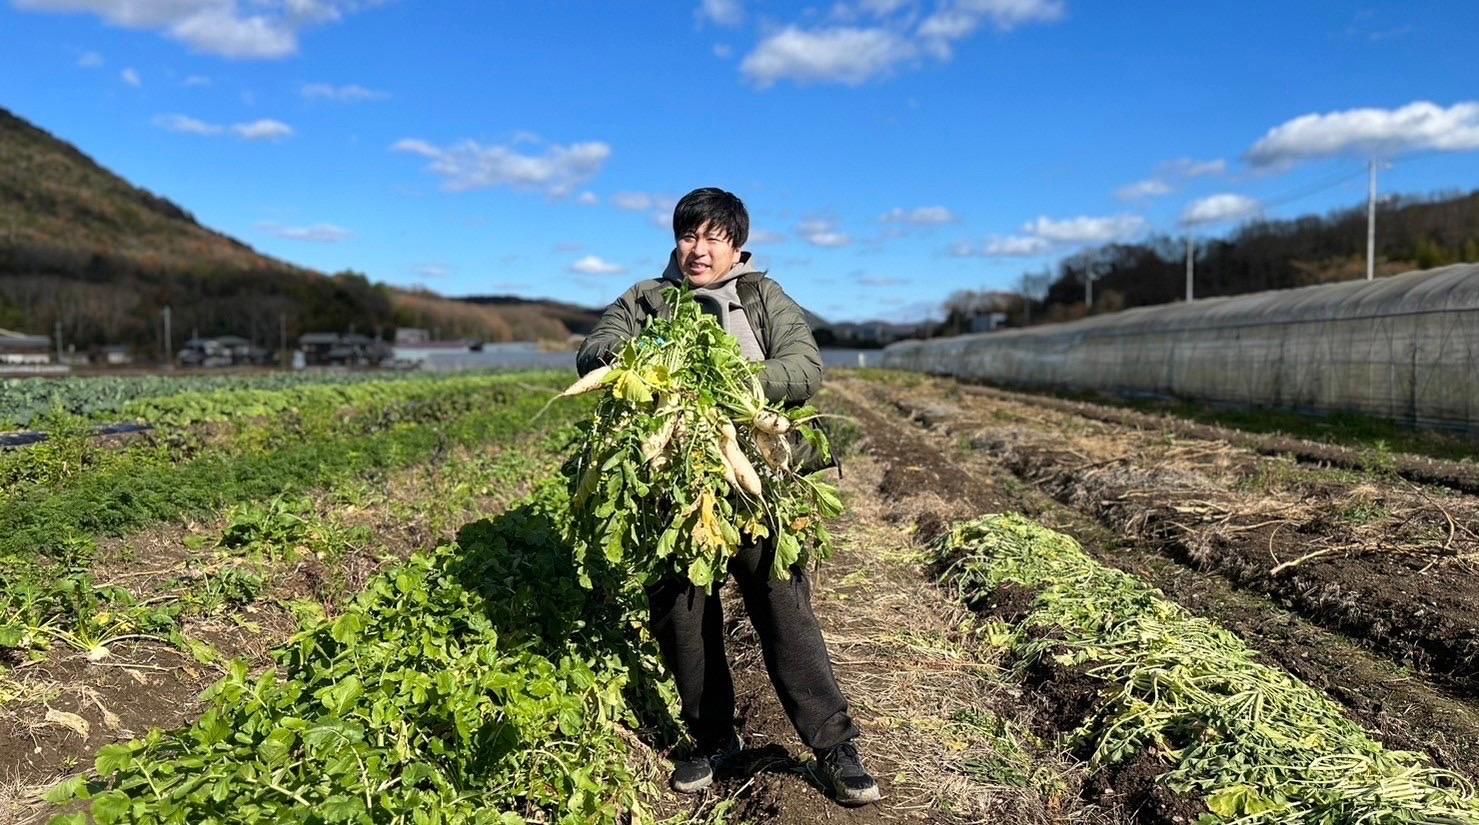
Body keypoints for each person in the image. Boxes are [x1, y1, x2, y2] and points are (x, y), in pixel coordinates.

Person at [575, 187, 880, 806]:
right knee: (682, 614)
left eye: (714, 237)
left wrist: (732, 380)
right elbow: (593, 349)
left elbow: (804, 366)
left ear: (736, 245)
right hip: (671, 482)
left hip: (758, 475)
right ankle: (712, 739)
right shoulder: (645, 299)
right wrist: (645, 362)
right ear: (676, 241)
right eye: (690, 235)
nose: (700, 249)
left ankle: (834, 747)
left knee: (783, 610)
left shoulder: (762, 296)